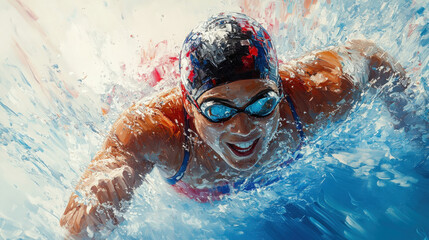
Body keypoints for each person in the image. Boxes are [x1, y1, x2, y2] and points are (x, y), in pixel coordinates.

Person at [60, 12, 408, 237]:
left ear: (280, 90)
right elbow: (84, 216)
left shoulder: (312, 98)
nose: (243, 129)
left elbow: (368, 57)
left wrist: (413, 125)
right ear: (187, 104)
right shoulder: (156, 132)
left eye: (262, 104)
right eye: (218, 111)